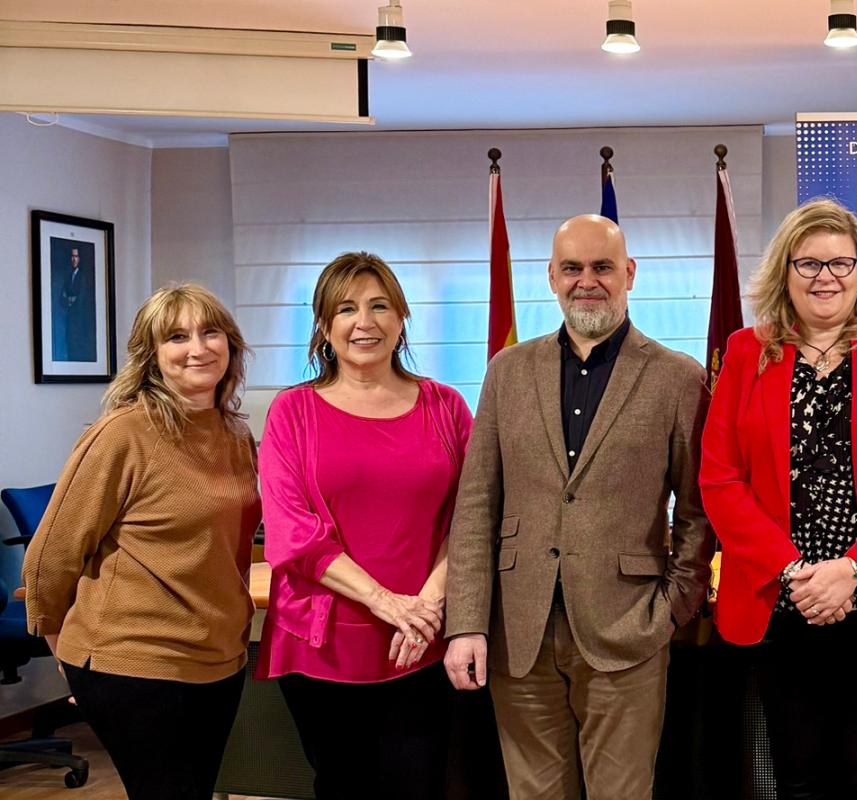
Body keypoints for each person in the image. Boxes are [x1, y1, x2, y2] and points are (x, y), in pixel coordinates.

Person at [442, 214, 715, 800]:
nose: (586, 281)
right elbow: (476, 506)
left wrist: (672, 608)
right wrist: (465, 622)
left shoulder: (678, 378)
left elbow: (698, 511)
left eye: (602, 267)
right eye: (572, 268)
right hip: (519, 632)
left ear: (630, 274)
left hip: (628, 629)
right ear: (550, 277)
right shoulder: (506, 372)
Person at [700, 199, 857, 799]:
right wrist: (794, 573)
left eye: (841, 263)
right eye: (809, 263)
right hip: (784, 600)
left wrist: (852, 568)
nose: (826, 277)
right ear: (785, 272)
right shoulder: (746, 352)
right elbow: (720, 479)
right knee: (797, 780)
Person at [23, 283, 258, 799]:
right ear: (153, 357)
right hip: (132, 657)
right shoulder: (124, 434)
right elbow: (49, 556)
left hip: (218, 655)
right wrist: (65, 650)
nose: (197, 348)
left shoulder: (236, 434)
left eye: (210, 331)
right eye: (177, 337)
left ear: (230, 344)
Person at [257, 252, 472, 798]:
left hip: (424, 635)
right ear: (325, 327)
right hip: (323, 642)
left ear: (401, 318)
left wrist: (424, 607)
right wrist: (387, 602)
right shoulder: (292, 412)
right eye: (347, 308)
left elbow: (473, 515)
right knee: (344, 784)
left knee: (421, 784)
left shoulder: (446, 406)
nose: (365, 322)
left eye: (380, 306)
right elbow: (292, 533)